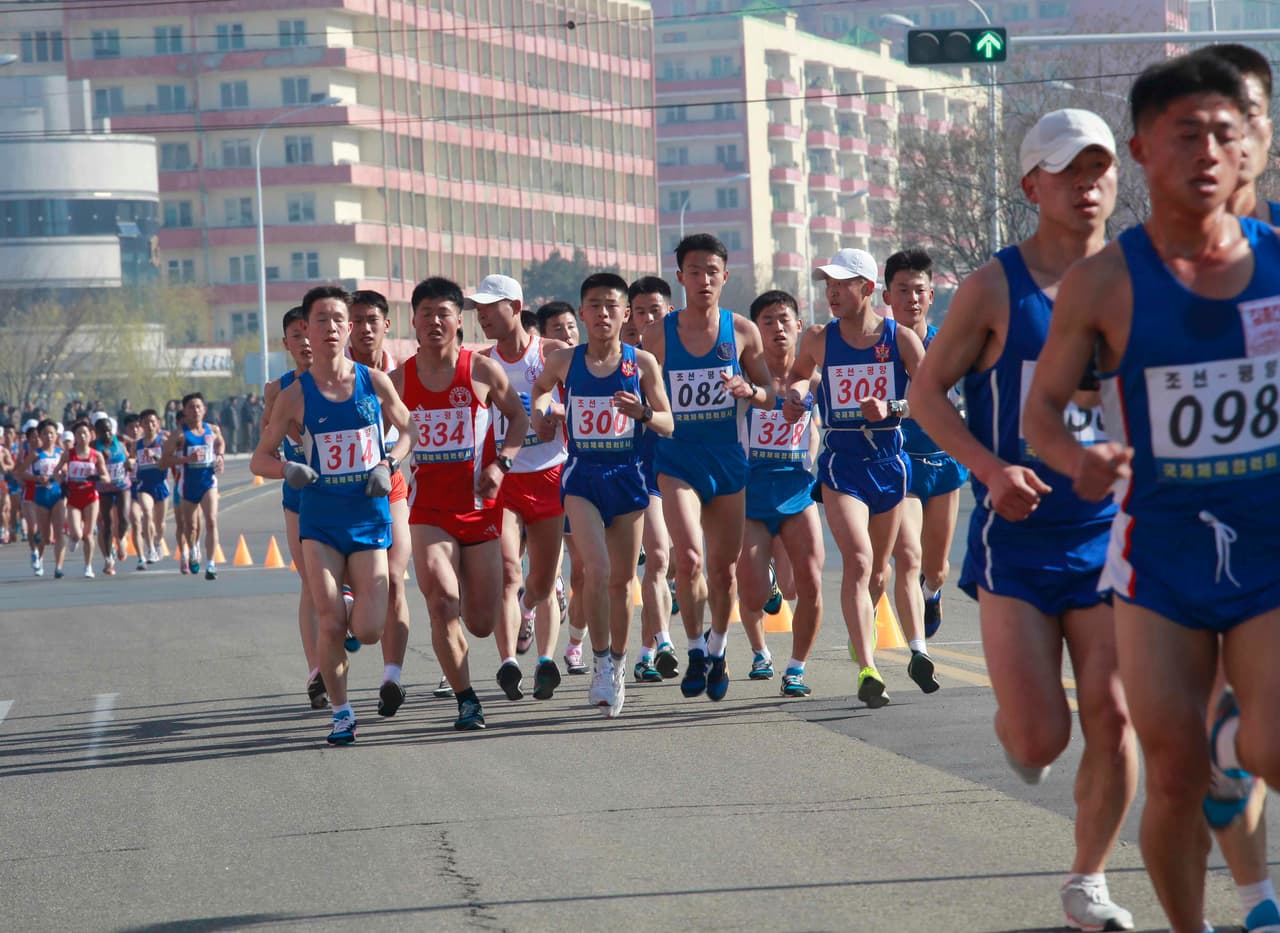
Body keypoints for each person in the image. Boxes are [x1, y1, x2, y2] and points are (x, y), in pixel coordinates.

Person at [1023, 57, 1280, 933]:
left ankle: (1234, 750)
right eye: (1185, 134)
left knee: (1272, 743)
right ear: (1141, 150)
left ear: (1253, 147)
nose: (1209, 151)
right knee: (1170, 773)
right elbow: (1042, 415)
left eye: (1225, 132)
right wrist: (1076, 459)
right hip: (1160, 557)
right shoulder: (1106, 281)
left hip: (1272, 547)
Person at [909, 108, 1137, 931]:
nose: (1088, 185)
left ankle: (1089, 879)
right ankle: (1024, 734)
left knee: (1113, 713)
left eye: (1100, 168)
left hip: (1112, 535)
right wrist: (989, 467)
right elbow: (925, 394)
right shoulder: (994, 286)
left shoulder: (1139, 277)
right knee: (1042, 737)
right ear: (1030, 184)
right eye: (1070, 170)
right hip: (1020, 536)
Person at [1191, 42, 1279, 933]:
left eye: (1245, 122)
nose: (1226, 143)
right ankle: (1258, 902)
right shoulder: (1154, 264)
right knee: (1230, 735)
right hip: (1202, 527)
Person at [251, 285, 412, 745]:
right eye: (319, 320)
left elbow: (409, 428)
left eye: (338, 319)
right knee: (328, 621)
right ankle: (341, 713)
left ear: (349, 328)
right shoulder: (293, 396)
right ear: (307, 328)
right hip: (319, 521)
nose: (330, 328)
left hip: (368, 518)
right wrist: (288, 468)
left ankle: (348, 606)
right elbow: (259, 458)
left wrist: (389, 463)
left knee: (367, 627)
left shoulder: (373, 382)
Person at [783, 248, 930, 707]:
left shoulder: (901, 338)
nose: (832, 291)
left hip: (889, 463)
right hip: (841, 465)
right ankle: (868, 669)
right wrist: (796, 395)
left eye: (842, 283)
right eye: (828, 283)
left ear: (867, 288)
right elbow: (801, 378)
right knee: (860, 561)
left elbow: (929, 398)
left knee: (879, 574)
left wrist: (894, 407)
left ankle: (862, 636)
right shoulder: (817, 337)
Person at [531, 272, 674, 717]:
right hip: (582, 476)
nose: (603, 313)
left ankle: (617, 664)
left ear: (625, 313)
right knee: (595, 569)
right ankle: (596, 663)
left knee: (621, 581)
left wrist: (644, 412)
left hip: (627, 476)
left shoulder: (642, 364)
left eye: (612, 305)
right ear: (582, 312)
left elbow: (668, 423)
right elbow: (538, 391)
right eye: (593, 305)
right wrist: (543, 411)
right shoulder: (564, 362)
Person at [391, 276, 530, 731]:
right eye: (425, 313)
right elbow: (366, 423)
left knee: (481, 622)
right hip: (428, 513)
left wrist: (502, 465)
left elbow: (518, 418)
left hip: (480, 510)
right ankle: (466, 698)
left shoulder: (482, 371)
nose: (434, 321)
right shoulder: (399, 381)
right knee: (442, 603)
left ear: (458, 321)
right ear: (412, 321)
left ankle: (505, 612)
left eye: (443, 313)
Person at [642, 233, 774, 702]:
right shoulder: (657, 334)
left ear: (724, 276)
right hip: (677, 460)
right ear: (680, 277)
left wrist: (749, 392)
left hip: (728, 461)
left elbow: (770, 393)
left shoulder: (741, 331)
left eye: (711, 271)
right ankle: (695, 649)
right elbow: (639, 387)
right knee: (690, 558)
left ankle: (718, 646)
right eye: (694, 272)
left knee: (723, 571)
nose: (703, 279)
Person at [472, 274, 570, 702]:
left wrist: (558, 412)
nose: (482, 316)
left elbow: (585, 400)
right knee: (508, 571)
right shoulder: (480, 363)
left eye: (490, 307)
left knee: (543, 581)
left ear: (514, 305)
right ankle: (509, 661)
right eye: (477, 309)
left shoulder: (552, 354)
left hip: (551, 475)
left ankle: (546, 660)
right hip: (504, 480)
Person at [739, 290, 825, 697]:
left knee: (803, 586)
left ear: (798, 326)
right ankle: (760, 652)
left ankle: (796, 668)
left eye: (784, 320)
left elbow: (821, 424)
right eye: (768, 321)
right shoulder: (742, 376)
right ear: (756, 330)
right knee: (755, 592)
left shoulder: (816, 380)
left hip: (796, 488)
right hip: (750, 495)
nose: (777, 328)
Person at [882, 249, 968, 641]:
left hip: (944, 462)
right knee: (908, 555)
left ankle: (932, 594)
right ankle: (917, 644)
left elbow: (946, 403)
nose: (911, 299)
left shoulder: (948, 345)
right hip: (901, 465)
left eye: (919, 290)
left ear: (931, 295)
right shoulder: (875, 348)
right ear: (886, 296)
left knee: (936, 567)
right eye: (902, 290)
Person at [348, 289, 414, 718]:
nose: (365, 328)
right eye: (357, 320)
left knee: (395, 575)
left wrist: (394, 457)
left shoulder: (404, 372)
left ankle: (392, 675)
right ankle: (349, 613)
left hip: (391, 482)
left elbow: (413, 425)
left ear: (387, 324)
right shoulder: (332, 373)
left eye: (373, 319)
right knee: (344, 587)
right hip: (341, 493)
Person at [262, 306, 326, 709]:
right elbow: (267, 442)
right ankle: (316, 671)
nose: (305, 342)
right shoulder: (278, 389)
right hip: (299, 494)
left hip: (344, 492)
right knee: (309, 581)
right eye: (296, 336)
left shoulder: (347, 380)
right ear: (286, 344)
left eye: (310, 333)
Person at [622, 276, 680, 683]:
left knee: (676, 566)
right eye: (639, 311)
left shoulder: (686, 355)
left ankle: (645, 652)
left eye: (653, 311)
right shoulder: (625, 362)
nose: (645, 319)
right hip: (641, 472)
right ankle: (662, 643)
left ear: (669, 312)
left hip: (685, 468)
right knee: (657, 559)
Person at [163, 393, 225, 580]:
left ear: (204, 410)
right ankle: (193, 549)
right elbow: (164, 461)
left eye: (198, 407)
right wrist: (185, 459)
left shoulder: (212, 429)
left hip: (208, 482)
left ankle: (212, 564)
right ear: (185, 411)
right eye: (191, 407)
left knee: (211, 520)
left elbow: (220, 442)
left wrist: (220, 456)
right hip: (187, 485)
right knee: (190, 528)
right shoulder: (179, 435)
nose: (195, 410)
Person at [57, 420, 108, 579]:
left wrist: (98, 477)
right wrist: (62, 483)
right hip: (73, 497)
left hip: (91, 497)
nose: (83, 436)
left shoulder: (96, 455)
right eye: (79, 433)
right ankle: (73, 538)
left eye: (85, 433)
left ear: (90, 435)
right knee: (77, 534)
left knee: (88, 535)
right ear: (75, 437)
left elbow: (107, 478)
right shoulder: (68, 454)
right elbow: (56, 472)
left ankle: (88, 566)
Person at [20, 419, 66, 578]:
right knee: (46, 538)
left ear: (56, 435)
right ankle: (38, 559)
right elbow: (21, 472)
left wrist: (62, 476)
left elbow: (66, 470)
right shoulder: (35, 454)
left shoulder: (61, 453)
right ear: (40, 435)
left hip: (58, 495)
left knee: (59, 533)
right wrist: (37, 479)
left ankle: (58, 567)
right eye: (45, 433)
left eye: (52, 433)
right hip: (40, 496)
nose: (49, 436)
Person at [92, 416, 132, 576]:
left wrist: (130, 463)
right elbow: (88, 466)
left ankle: (121, 539)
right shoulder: (94, 446)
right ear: (97, 433)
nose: (107, 434)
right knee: (107, 524)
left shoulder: (119, 443)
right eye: (103, 432)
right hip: (104, 488)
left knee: (124, 519)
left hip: (122, 485)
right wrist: (99, 461)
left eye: (109, 431)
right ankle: (108, 559)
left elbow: (129, 458)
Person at [130, 409, 169, 568]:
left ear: (158, 423)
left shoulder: (163, 441)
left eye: (153, 422)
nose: (150, 425)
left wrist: (156, 456)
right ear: (141, 425)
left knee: (160, 524)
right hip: (144, 485)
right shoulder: (137, 444)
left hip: (160, 484)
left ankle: (158, 542)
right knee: (146, 513)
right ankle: (151, 549)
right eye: (146, 423)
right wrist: (130, 463)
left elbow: (168, 461)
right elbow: (132, 459)